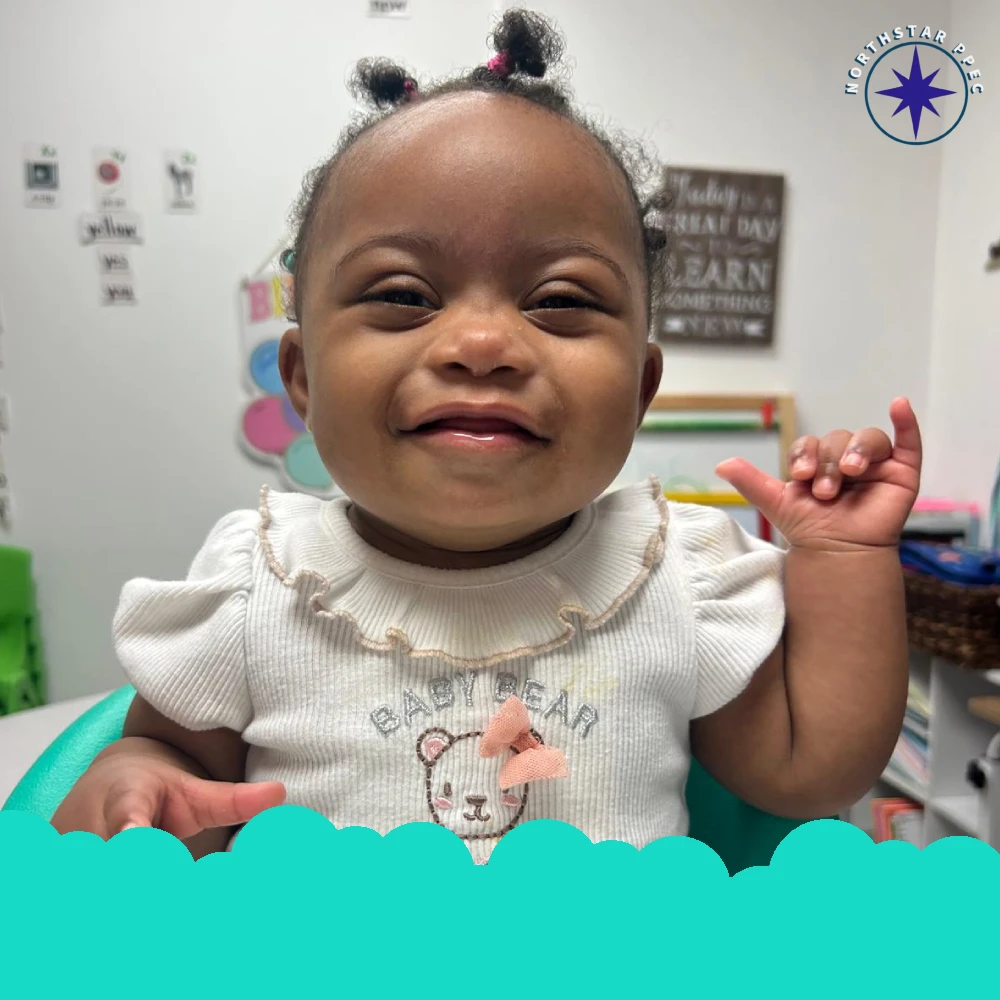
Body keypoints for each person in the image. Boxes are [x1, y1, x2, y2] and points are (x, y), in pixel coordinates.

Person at [52, 9, 921, 864]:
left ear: (640, 390)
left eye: (559, 301)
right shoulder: (259, 586)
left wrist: (845, 559)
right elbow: (172, 765)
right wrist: (138, 784)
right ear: (303, 377)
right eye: (404, 295)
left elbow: (811, 773)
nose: (480, 344)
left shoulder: (676, 579)